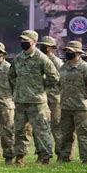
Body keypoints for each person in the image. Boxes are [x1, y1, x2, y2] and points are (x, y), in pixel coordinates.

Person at [8, 30, 60, 166]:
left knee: (41, 130)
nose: (23, 43)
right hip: (20, 100)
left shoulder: (42, 58)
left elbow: (54, 77)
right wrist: (19, 88)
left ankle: (45, 157)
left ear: (34, 42)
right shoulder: (18, 58)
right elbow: (11, 76)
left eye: (26, 41)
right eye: (22, 41)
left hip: (37, 101)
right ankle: (19, 156)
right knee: (19, 130)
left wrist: (41, 88)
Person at [59, 41, 87, 163]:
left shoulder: (86, 68)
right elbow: (59, 85)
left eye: (70, 51)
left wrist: (85, 97)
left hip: (82, 108)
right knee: (65, 135)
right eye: (67, 51)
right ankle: (64, 157)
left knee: (84, 135)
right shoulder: (63, 67)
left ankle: (86, 159)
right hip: (65, 107)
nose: (68, 53)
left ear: (78, 53)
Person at [38, 36, 63, 158]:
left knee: (56, 125)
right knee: (40, 125)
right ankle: (42, 152)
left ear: (52, 48)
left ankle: (60, 152)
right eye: (43, 45)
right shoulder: (37, 59)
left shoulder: (57, 62)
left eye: (47, 46)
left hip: (54, 97)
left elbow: (61, 80)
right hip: (40, 97)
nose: (44, 47)